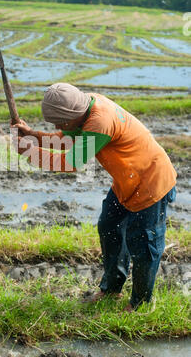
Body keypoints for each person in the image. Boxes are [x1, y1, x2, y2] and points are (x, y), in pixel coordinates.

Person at [11, 82, 177, 312]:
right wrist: (33, 136)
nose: (59, 126)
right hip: (126, 181)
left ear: (74, 114)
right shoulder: (83, 104)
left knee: (144, 246)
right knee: (109, 228)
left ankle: (140, 305)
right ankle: (111, 289)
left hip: (150, 182)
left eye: (61, 122)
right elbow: (68, 138)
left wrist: (29, 151)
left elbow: (71, 161)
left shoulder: (99, 121)